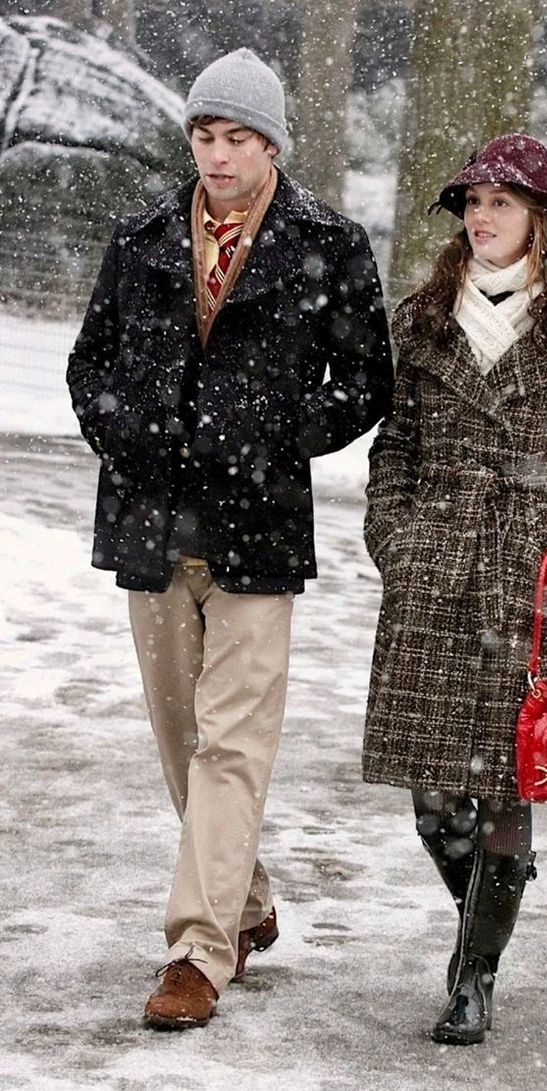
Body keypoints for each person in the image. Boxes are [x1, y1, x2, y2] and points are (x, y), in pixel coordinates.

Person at [67, 47, 393, 1029]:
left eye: (237, 138)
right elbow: (91, 367)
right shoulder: (141, 239)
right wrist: (132, 433)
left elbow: (365, 380)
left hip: (257, 533)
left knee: (232, 746)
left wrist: (274, 435)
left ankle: (196, 953)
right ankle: (243, 902)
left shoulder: (327, 246)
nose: (216, 155)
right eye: (205, 136)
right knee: (181, 737)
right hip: (149, 522)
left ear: (272, 145)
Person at [362, 133, 547, 1046]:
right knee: (433, 794)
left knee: (507, 786)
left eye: (501, 203)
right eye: (471, 203)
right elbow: (392, 453)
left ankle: (475, 972)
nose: (481, 217)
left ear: (541, 222)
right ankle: (493, 896)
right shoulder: (423, 318)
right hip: (433, 568)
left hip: (527, 570)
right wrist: (397, 543)